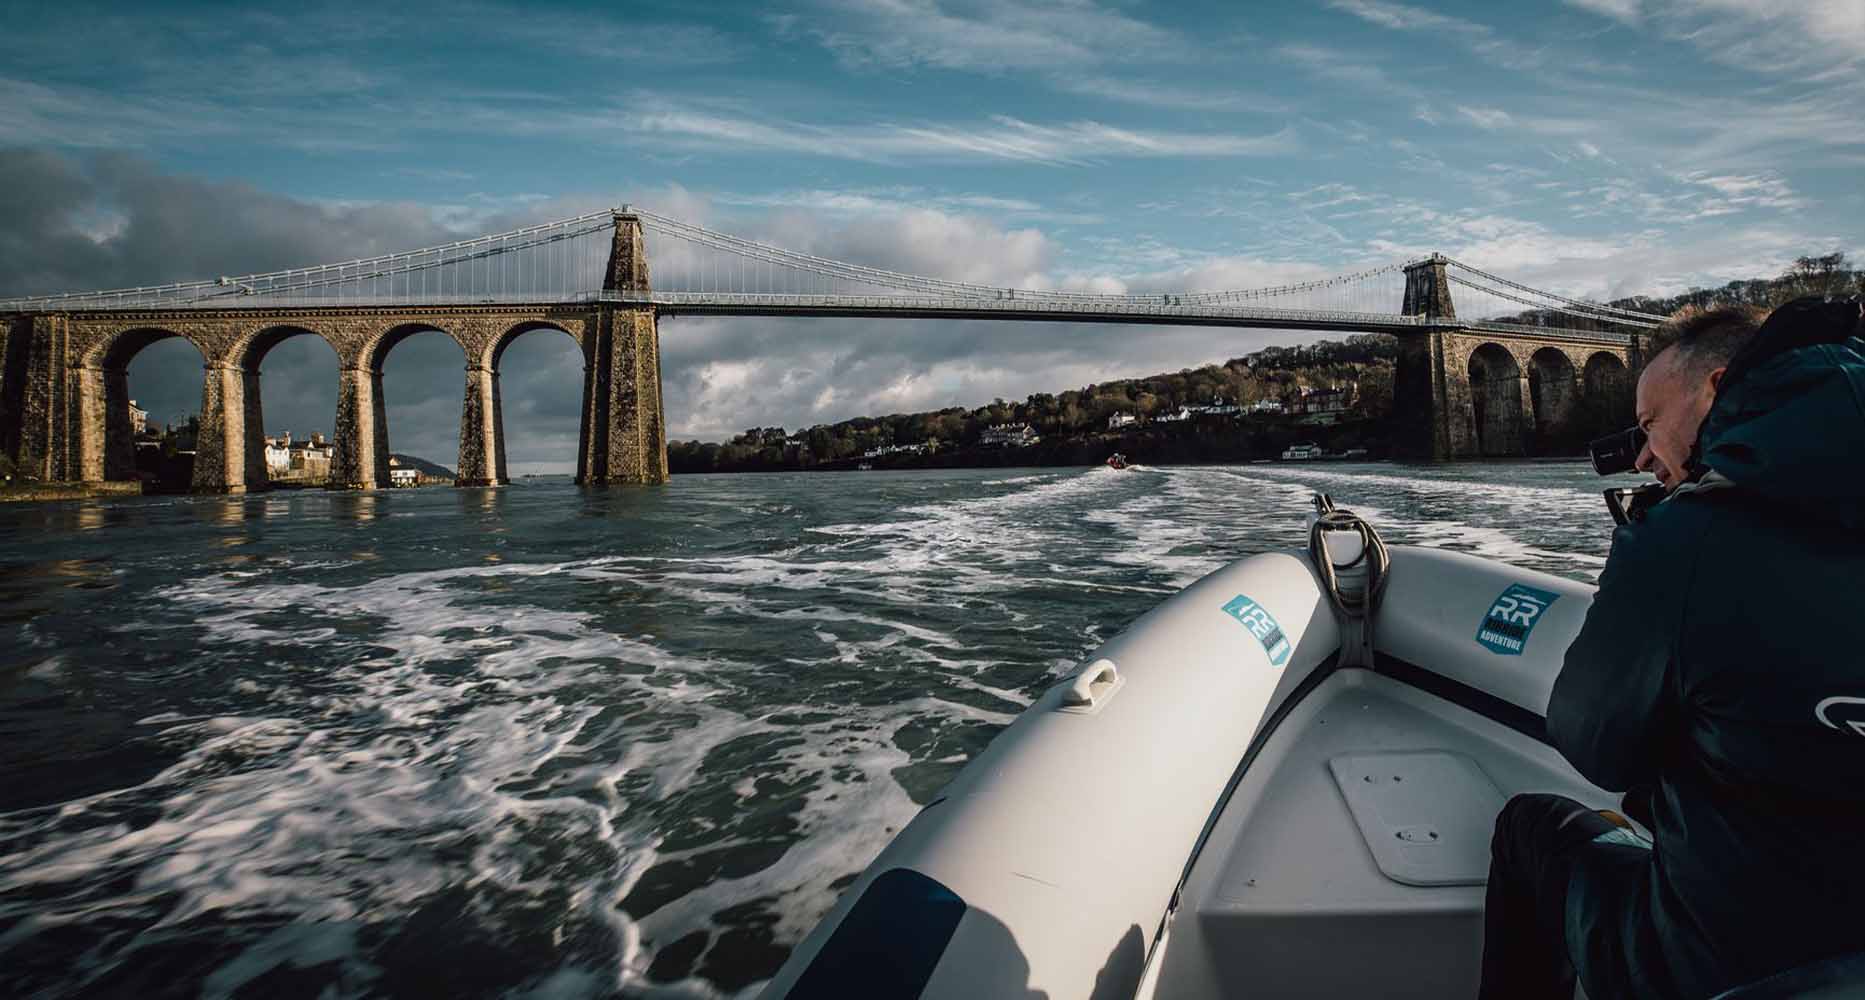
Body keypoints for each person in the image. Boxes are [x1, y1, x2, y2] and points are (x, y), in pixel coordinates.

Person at [1479, 296, 1865, 999]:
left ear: (1716, 387)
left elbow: (1596, 748)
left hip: (1726, 968)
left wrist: (1650, 549)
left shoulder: (1686, 543)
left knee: (1532, 828)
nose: (1643, 455)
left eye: (1651, 424)